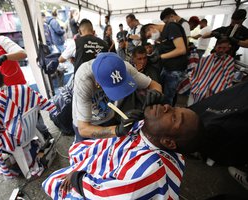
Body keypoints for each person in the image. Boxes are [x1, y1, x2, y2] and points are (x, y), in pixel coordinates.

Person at [42, 103, 204, 199]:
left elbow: (109, 196)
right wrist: (122, 127)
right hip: (115, 165)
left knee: (57, 183)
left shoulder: (151, 169)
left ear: (168, 142)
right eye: (175, 108)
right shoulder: (153, 131)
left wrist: (77, 178)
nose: (168, 107)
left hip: (104, 191)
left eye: (174, 117)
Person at [0, 64, 57, 178]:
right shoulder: (23, 89)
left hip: (14, 139)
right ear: (3, 76)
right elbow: (45, 103)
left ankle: (3, 163)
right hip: (30, 129)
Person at [72, 52, 162, 142]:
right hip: (88, 123)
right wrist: (116, 130)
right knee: (84, 152)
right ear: (97, 82)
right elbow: (83, 129)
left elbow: (154, 85)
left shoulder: (124, 68)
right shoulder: (84, 80)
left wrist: (155, 94)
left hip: (109, 117)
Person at [141, 23, 187, 105]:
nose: (151, 38)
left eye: (149, 36)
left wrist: (161, 56)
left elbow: (181, 49)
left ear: (151, 28)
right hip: (166, 68)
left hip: (175, 70)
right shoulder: (161, 36)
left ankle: (167, 114)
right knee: (162, 91)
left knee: (168, 97)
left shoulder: (171, 27)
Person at [190, 38, 234, 103]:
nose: (221, 50)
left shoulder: (229, 60)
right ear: (215, 47)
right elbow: (197, 73)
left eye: (224, 48)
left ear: (228, 48)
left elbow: (229, 77)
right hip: (202, 83)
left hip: (219, 85)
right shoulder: (206, 58)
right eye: (219, 47)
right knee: (200, 93)